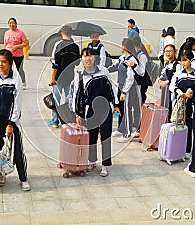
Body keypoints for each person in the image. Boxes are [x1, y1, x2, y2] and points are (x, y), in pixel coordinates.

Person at [0, 49, 30, 191]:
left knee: (16, 151)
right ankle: (1, 174)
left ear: (10, 63)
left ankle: (23, 179)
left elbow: (17, 103)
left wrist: (11, 123)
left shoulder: (16, 79)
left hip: (11, 121)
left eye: (4, 62)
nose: (1, 64)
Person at [71, 48, 120, 177]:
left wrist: (115, 104)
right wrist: (78, 113)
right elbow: (77, 94)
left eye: (90, 56)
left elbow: (112, 87)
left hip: (105, 108)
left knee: (105, 136)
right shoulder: (80, 75)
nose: (88, 59)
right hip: (90, 110)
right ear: (81, 59)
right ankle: (92, 161)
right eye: (85, 56)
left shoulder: (103, 71)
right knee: (91, 136)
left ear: (95, 57)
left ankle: (105, 164)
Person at [108, 38, 141, 142]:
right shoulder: (123, 58)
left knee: (127, 110)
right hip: (121, 87)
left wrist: (124, 91)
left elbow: (130, 78)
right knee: (121, 108)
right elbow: (115, 67)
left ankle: (127, 134)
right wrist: (103, 70)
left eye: (122, 45)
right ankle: (121, 129)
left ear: (124, 47)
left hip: (128, 89)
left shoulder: (131, 60)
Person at [48, 25, 80, 127]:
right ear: (71, 34)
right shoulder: (75, 47)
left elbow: (54, 63)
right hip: (70, 76)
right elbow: (77, 63)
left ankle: (55, 120)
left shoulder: (58, 45)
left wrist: (52, 78)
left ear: (62, 33)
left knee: (56, 99)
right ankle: (68, 119)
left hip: (58, 77)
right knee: (69, 99)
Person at [169, 50, 195, 158]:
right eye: (182, 61)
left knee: (189, 126)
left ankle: (187, 150)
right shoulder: (178, 73)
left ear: (191, 60)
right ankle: (176, 147)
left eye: (185, 60)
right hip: (179, 104)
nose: (183, 63)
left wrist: (192, 93)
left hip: (191, 105)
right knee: (177, 125)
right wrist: (178, 91)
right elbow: (172, 86)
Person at [158, 44, 182, 121]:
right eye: (166, 51)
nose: (168, 53)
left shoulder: (177, 65)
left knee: (171, 109)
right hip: (164, 92)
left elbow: (178, 78)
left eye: (170, 51)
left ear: (174, 52)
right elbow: (161, 75)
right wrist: (160, 81)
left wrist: (167, 82)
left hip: (172, 92)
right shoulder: (166, 65)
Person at [4, 17, 28, 90]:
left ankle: (23, 82)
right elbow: (5, 43)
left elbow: (26, 43)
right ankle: (9, 81)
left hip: (18, 54)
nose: (11, 24)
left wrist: (17, 46)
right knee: (8, 68)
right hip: (9, 54)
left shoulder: (20, 33)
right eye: (10, 23)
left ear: (16, 24)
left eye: (13, 23)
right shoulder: (7, 33)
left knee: (20, 69)